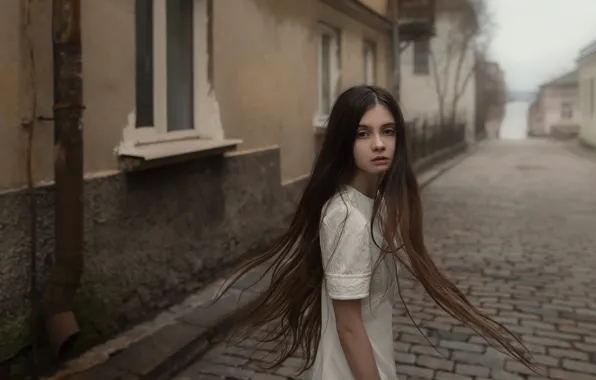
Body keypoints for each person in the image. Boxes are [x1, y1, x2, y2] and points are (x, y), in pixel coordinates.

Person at [217, 85, 533, 380]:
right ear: (344, 142)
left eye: (388, 131)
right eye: (363, 133)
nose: (379, 143)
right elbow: (349, 327)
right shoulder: (347, 218)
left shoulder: (372, 205)